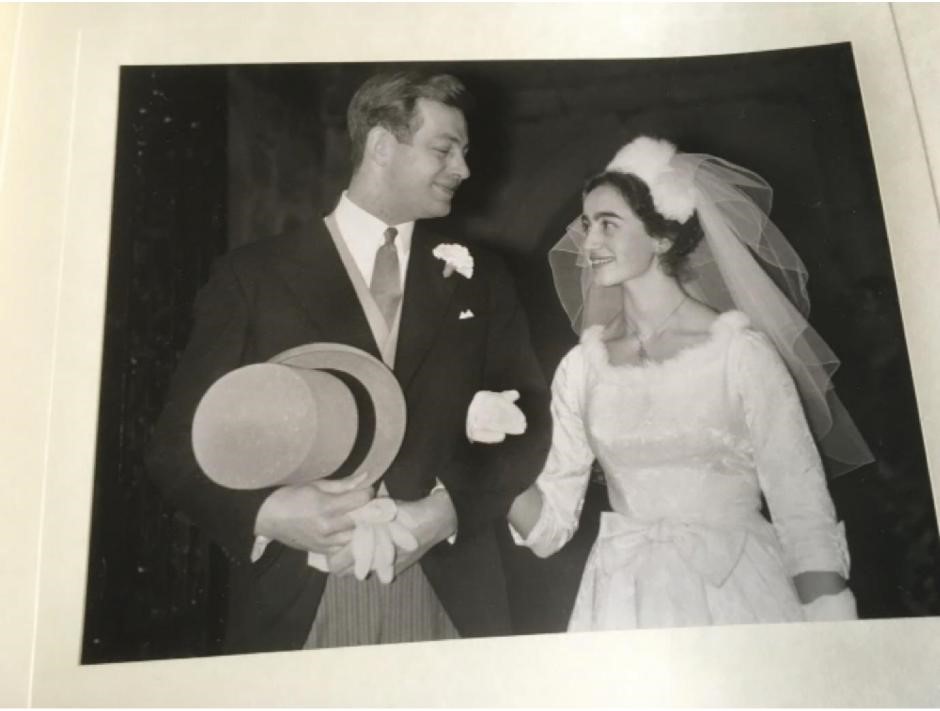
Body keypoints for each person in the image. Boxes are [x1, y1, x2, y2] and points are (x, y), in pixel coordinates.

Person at [145, 71, 551, 653]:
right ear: (383, 145)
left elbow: (530, 418)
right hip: (299, 598)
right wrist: (269, 512)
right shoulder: (252, 277)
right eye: (444, 148)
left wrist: (445, 513)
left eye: (465, 151)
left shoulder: (483, 278)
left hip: (451, 595)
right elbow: (176, 448)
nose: (463, 168)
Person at [506, 136, 873, 630]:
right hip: (621, 602)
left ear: (661, 237)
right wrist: (490, 472)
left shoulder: (740, 354)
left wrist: (833, 628)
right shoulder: (581, 368)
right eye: (588, 224)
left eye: (608, 225)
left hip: (739, 593)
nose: (588, 242)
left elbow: (801, 503)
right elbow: (550, 525)